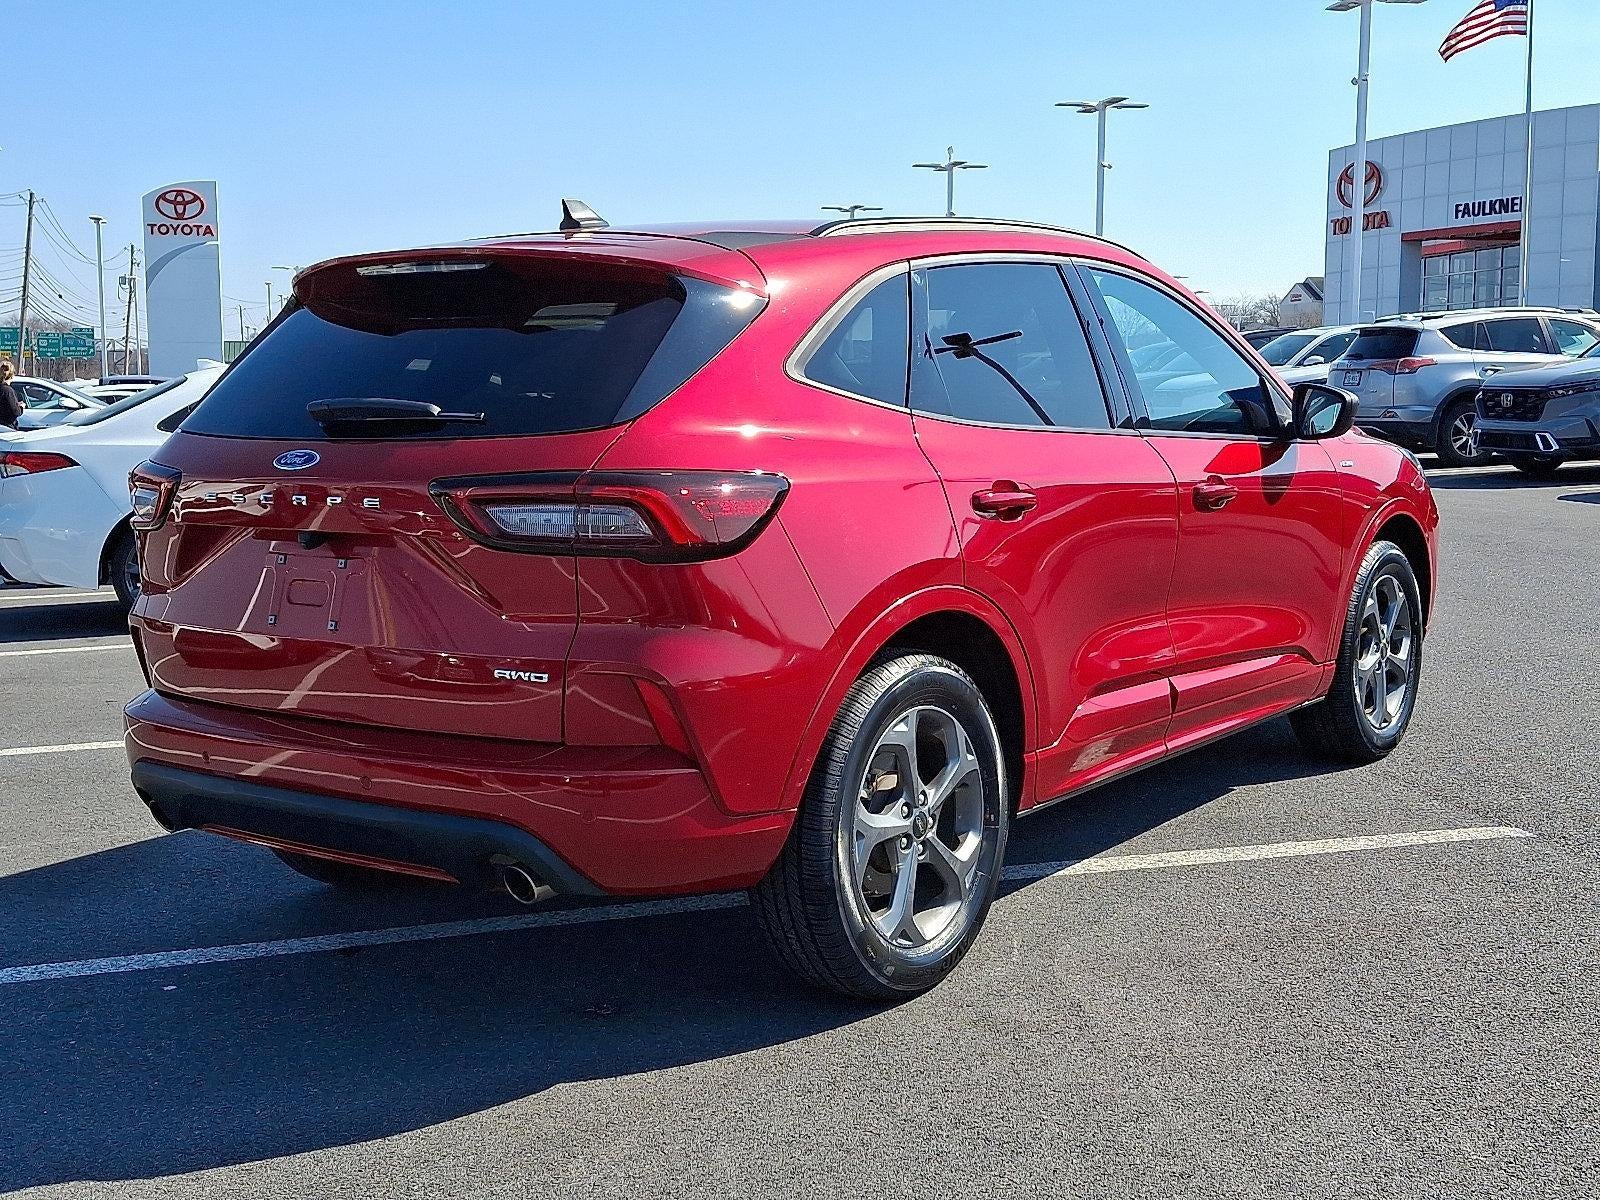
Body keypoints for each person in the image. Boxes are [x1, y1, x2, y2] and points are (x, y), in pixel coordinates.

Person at [0, 360, 22, 429]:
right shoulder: (8, 391)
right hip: (6, 428)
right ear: (11, 375)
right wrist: (21, 407)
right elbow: (15, 411)